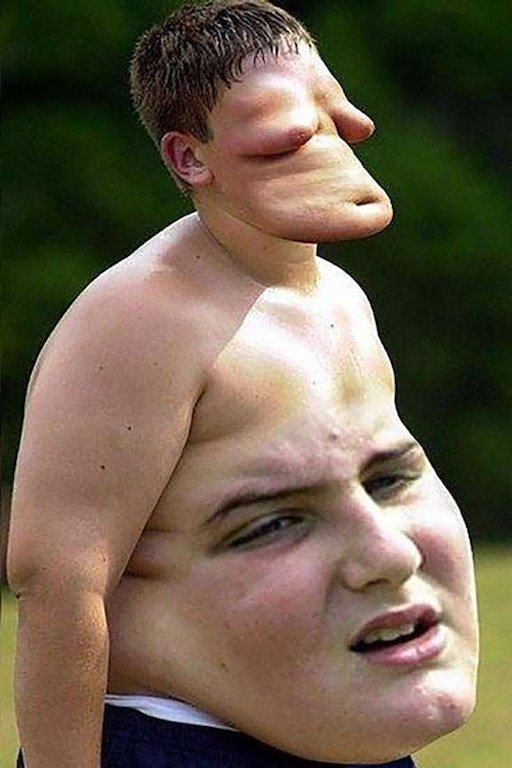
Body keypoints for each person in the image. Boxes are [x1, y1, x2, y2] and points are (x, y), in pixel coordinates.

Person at [8, 1, 479, 766]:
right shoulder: (141, 320)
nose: (331, 132)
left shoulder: (340, 298)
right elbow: (58, 582)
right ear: (189, 157)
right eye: (282, 123)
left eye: (328, 107)